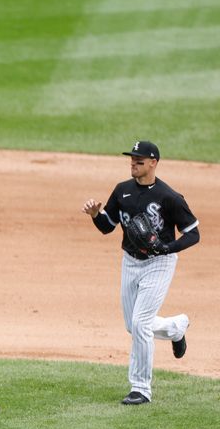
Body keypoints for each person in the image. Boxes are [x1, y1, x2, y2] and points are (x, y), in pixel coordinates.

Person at [82, 141, 199, 405]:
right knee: (132, 325)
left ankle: (140, 388)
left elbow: (193, 233)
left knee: (141, 324)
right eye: (132, 159)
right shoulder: (122, 190)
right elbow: (107, 227)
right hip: (130, 261)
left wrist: (168, 247)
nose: (133, 163)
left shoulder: (169, 196)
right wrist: (94, 215)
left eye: (139, 160)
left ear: (153, 163)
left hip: (159, 262)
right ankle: (176, 328)